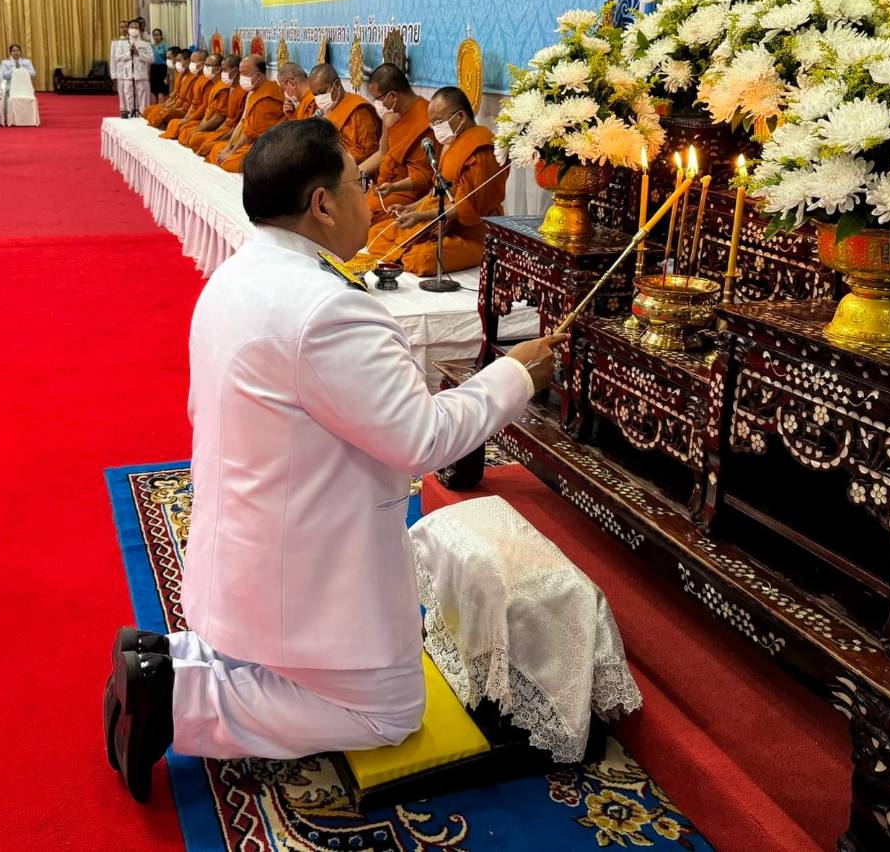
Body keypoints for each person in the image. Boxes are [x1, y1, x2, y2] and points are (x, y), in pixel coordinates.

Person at [103, 118, 563, 800]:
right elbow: (422, 440)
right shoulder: (328, 310)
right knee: (387, 713)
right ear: (321, 204)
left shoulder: (240, 271)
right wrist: (517, 375)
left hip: (245, 550)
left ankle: (175, 657)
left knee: (307, 672)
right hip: (303, 575)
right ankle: (181, 700)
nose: (370, 198)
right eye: (360, 184)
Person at [364, 87, 506, 275]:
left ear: (460, 117)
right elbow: (436, 193)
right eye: (432, 123)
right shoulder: (452, 144)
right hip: (439, 223)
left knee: (424, 258)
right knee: (378, 234)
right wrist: (411, 208)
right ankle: (408, 247)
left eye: (438, 121)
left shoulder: (481, 149)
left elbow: (467, 207)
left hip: (471, 233)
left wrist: (421, 216)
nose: (435, 128)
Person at [364, 64, 432, 225]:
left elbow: (425, 177)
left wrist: (394, 187)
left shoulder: (425, 120)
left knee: (362, 217)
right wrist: (355, 173)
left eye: (379, 99)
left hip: (408, 193)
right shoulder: (391, 117)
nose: (378, 105)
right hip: (385, 187)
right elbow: (382, 153)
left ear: (393, 96)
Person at [212, 56, 285, 173]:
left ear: (259, 76)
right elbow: (243, 121)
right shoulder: (252, 92)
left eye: (245, 73)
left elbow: (252, 133)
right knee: (216, 149)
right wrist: (229, 147)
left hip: (264, 144)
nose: (241, 78)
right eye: (240, 74)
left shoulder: (267, 96)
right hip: (247, 141)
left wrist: (233, 151)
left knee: (228, 161)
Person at [308, 64, 380, 165]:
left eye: (322, 92)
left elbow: (370, 152)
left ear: (337, 85)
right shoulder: (328, 109)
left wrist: (337, 159)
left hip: (355, 170)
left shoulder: (359, 111)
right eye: (315, 95)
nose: (319, 99)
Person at [185, 56, 246, 155]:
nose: (222, 72)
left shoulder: (243, 92)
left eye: (224, 70)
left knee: (199, 141)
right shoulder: (229, 87)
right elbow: (204, 108)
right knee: (188, 132)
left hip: (233, 132)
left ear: (235, 71)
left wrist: (218, 136)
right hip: (222, 127)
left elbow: (234, 122)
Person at [161, 52, 226, 143]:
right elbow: (193, 102)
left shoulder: (220, 87)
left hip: (215, 124)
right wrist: (186, 119)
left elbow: (212, 113)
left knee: (190, 134)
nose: (205, 67)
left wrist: (198, 126)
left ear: (219, 69)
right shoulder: (201, 79)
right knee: (178, 125)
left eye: (207, 65)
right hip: (196, 115)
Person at [143, 49, 201, 128]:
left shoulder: (195, 78)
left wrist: (186, 118)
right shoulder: (180, 75)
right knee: (148, 110)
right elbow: (175, 95)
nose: (175, 62)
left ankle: (166, 123)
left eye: (178, 60)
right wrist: (165, 105)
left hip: (185, 110)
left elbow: (191, 104)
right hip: (177, 106)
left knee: (163, 114)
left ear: (187, 62)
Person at [110, 20, 154, 118]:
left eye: (136, 27)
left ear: (139, 29)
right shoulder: (122, 43)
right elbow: (117, 57)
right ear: (129, 29)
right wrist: (129, 54)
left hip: (141, 76)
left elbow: (151, 59)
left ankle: (142, 118)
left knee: (143, 101)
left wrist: (139, 54)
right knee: (129, 99)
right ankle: (131, 117)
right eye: (132, 27)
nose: (134, 29)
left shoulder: (145, 43)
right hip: (127, 76)